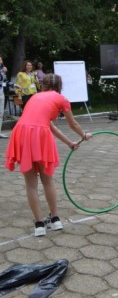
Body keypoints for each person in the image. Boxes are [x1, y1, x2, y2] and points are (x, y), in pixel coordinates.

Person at [4, 74, 92, 236]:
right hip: (39, 135)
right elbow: (72, 123)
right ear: (59, 86)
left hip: (21, 133)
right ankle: (55, 219)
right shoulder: (60, 99)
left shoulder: (36, 97)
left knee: (31, 184)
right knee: (47, 180)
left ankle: (39, 225)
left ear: (43, 85)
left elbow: (50, 126)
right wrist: (83, 135)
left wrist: (70, 143)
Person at [0, 57, 8, 138]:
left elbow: (4, 82)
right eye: (0, 59)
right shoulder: (2, 70)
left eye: (1, 60)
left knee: (1, 113)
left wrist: (13, 85)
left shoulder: (2, 70)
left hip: (1, 91)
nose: (1, 61)